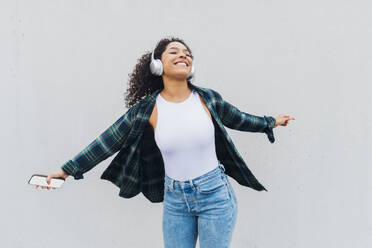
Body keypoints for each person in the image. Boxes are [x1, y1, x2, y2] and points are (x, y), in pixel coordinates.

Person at [37, 36, 295, 248]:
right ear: (157, 65)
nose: (183, 55)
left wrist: (270, 122)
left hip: (215, 196)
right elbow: (107, 141)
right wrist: (66, 170)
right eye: (174, 52)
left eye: (187, 53)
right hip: (175, 200)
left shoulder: (208, 99)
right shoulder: (146, 110)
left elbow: (239, 118)